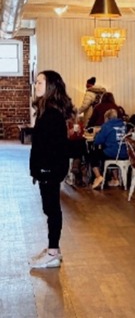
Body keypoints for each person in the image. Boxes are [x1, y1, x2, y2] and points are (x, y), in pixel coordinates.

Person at [29, 70, 75, 269]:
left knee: (52, 210)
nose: (36, 85)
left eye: (40, 82)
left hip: (50, 168)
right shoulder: (46, 110)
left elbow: (53, 147)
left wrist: (43, 170)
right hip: (47, 168)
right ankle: (52, 248)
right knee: (50, 209)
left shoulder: (51, 114)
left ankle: (53, 252)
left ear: (50, 86)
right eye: (36, 82)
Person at [90, 109, 129, 189]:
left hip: (112, 153)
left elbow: (97, 141)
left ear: (107, 118)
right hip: (125, 153)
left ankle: (98, 177)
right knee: (111, 149)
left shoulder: (107, 126)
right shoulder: (123, 125)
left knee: (93, 154)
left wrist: (97, 133)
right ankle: (115, 179)